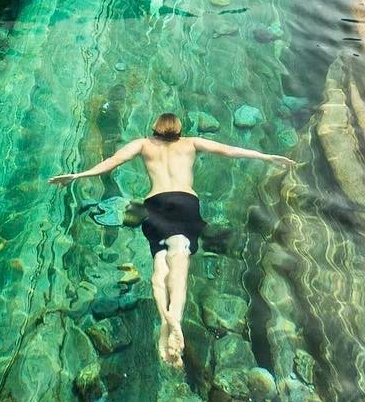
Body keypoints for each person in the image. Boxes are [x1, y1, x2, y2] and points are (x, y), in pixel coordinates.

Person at [50, 113, 295, 366]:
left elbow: (113, 162)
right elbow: (230, 150)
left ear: (155, 127)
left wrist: (77, 176)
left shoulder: (143, 144)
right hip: (185, 204)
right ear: (178, 129)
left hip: (155, 206)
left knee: (159, 266)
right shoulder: (191, 143)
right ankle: (173, 321)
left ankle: (164, 324)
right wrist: (266, 157)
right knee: (179, 264)